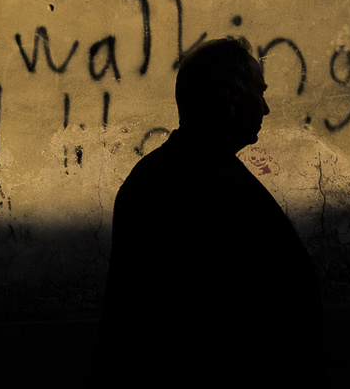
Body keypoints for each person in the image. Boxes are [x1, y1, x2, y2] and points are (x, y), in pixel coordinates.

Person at [94, 37, 323, 383]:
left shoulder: (159, 175)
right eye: (259, 92)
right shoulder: (207, 184)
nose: (266, 108)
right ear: (231, 99)